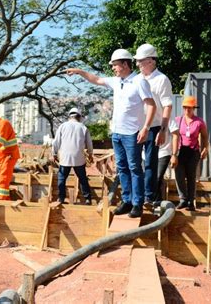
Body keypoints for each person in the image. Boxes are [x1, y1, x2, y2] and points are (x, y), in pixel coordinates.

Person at [66, 48, 156, 217]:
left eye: (115, 65)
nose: (113, 68)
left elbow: (151, 105)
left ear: (125, 64)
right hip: (117, 133)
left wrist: (146, 128)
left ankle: (138, 203)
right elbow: (97, 79)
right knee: (121, 167)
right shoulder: (117, 81)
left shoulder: (139, 81)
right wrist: (79, 72)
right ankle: (127, 200)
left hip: (132, 133)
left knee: (135, 167)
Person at [134, 44, 173, 206]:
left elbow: (167, 106)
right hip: (135, 126)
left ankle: (148, 196)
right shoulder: (136, 79)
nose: (137, 64)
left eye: (141, 61)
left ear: (151, 61)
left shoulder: (161, 80)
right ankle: (136, 195)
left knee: (150, 163)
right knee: (134, 162)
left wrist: (163, 130)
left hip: (154, 126)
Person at [51, 107, 94, 205]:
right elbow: (89, 143)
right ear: (78, 117)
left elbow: (56, 142)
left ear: (69, 116)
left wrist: (54, 153)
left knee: (62, 178)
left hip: (65, 157)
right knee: (83, 178)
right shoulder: (83, 127)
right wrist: (90, 154)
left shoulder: (63, 126)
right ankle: (88, 199)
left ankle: (61, 198)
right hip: (78, 157)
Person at [174, 96, 208, 211]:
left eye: (190, 108)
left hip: (193, 152)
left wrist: (205, 148)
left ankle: (190, 202)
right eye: (185, 107)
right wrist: (172, 154)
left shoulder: (199, 122)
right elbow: (173, 136)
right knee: (179, 175)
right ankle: (183, 199)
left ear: (194, 108)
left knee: (191, 176)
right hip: (180, 151)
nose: (187, 110)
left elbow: (204, 136)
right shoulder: (178, 120)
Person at [153, 119, 179, 207]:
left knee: (157, 177)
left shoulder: (169, 118)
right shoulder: (146, 114)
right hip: (147, 153)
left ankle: (155, 201)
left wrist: (174, 154)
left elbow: (175, 135)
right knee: (150, 177)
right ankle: (158, 201)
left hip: (164, 152)